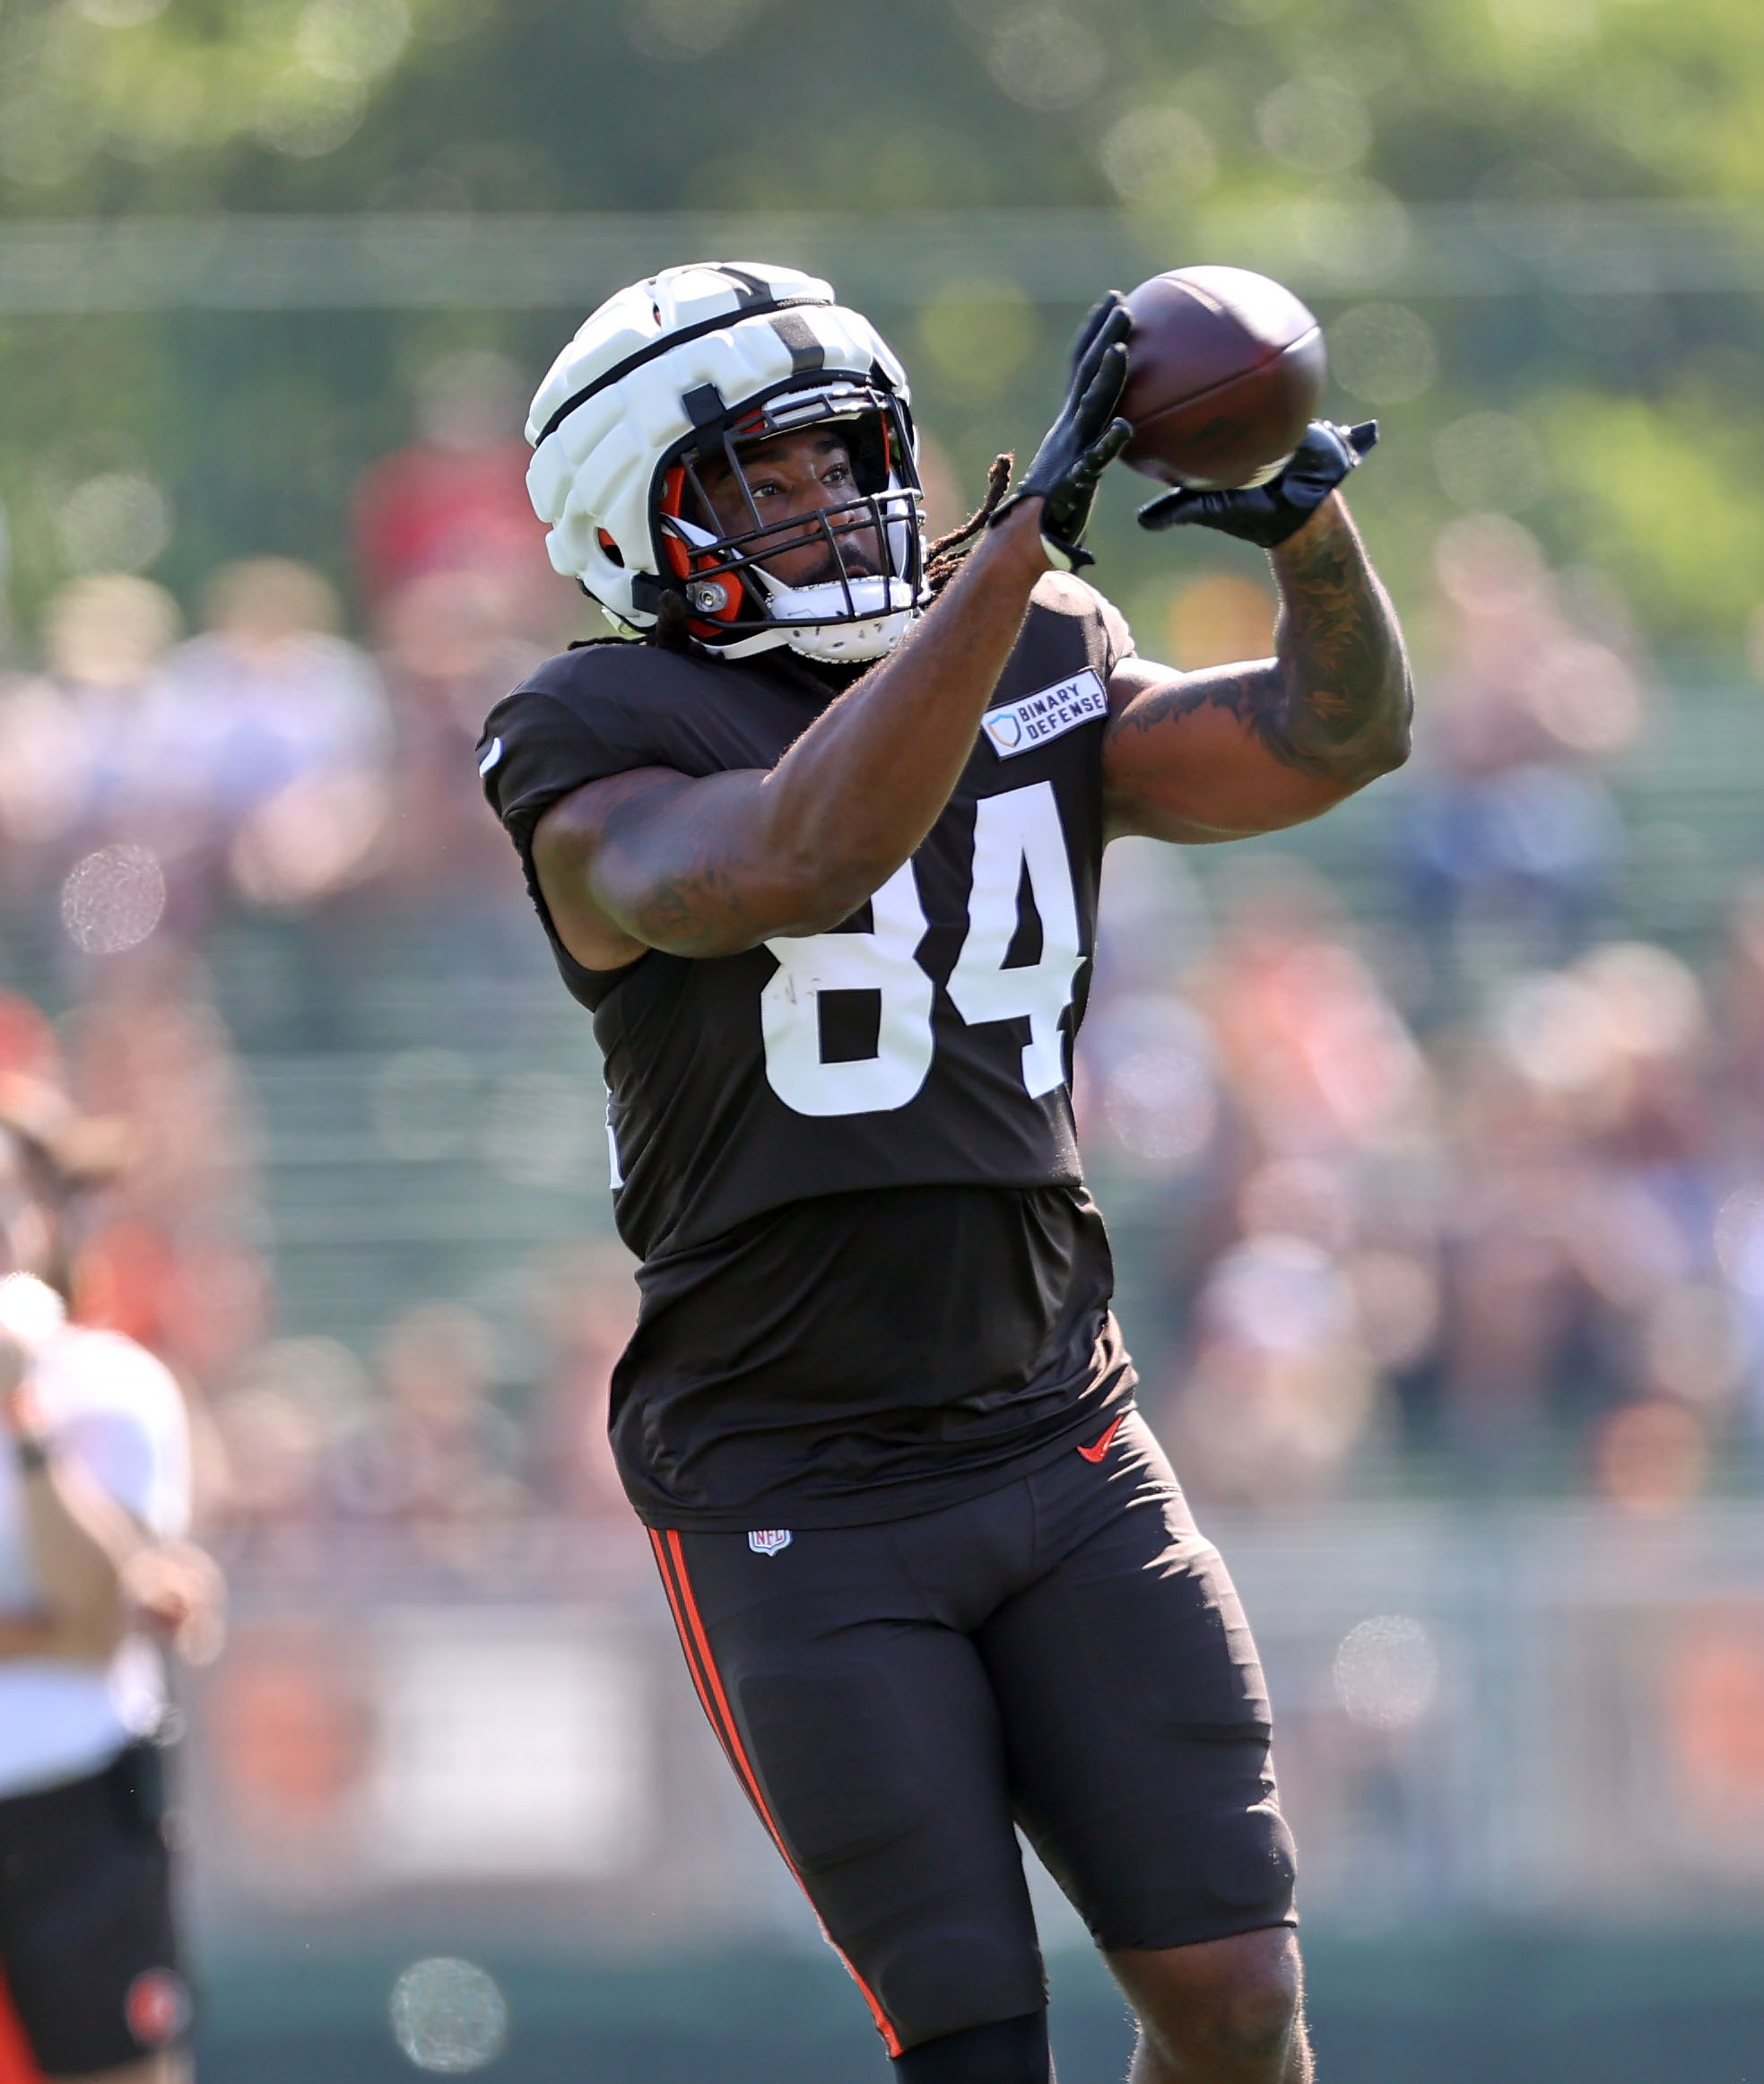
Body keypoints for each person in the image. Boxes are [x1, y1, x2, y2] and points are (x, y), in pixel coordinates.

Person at [479, 263, 1411, 2084]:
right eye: (767, 477)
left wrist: (1307, 527)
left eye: (847, 455)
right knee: (975, 2046)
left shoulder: (1035, 645)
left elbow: (1330, 736)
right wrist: (1004, 573)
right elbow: (795, 860)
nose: (833, 500)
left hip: (1054, 1433)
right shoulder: (592, 736)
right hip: (792, 1480)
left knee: (1232, 2005)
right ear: (631, 521)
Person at [0, 1087, 214, 2084]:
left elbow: (92, 1619)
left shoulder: (110, 1386)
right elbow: (94, 1616)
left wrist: (23, 1412)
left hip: (79, 1806)